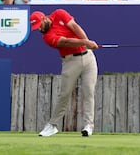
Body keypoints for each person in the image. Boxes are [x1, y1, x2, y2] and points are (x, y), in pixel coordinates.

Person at [29, 9, 99, 137]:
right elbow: (66, 42)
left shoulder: (59, 13)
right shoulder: (47, 37)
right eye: (36, 28)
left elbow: (75, 26)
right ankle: (52, 125)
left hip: (89, 58)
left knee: (89, 91)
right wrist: (85, 42)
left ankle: (89, 125)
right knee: (65, 94)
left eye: (39, 25)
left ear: (44, 19)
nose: (39, 29)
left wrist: (87, 41)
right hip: (70, 62)